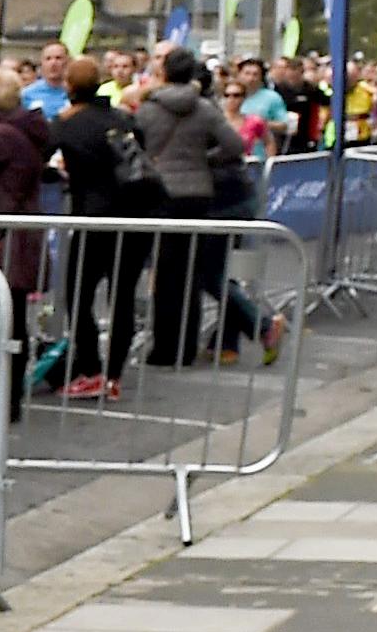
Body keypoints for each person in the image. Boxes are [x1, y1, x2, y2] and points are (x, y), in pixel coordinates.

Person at [131, 49, 252, 368]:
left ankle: (163, 347)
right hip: (198, 193)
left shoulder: (148, 109)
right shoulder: (205, 109)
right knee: (191, 273)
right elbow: (235, 146)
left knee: (165, 272)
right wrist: (202, 160)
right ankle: (186, 347)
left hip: (162, 192)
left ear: (165, 72)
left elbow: (136, 148)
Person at [44, 56, 154, 399]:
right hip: (137, 214)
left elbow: (41, 156)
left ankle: (91, 368)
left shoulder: (66, 124)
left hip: (95, 218)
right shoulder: (122, 117)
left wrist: (58, 174)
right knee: (122, 295)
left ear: (69, 87)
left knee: (79, 295)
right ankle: (114, 377)